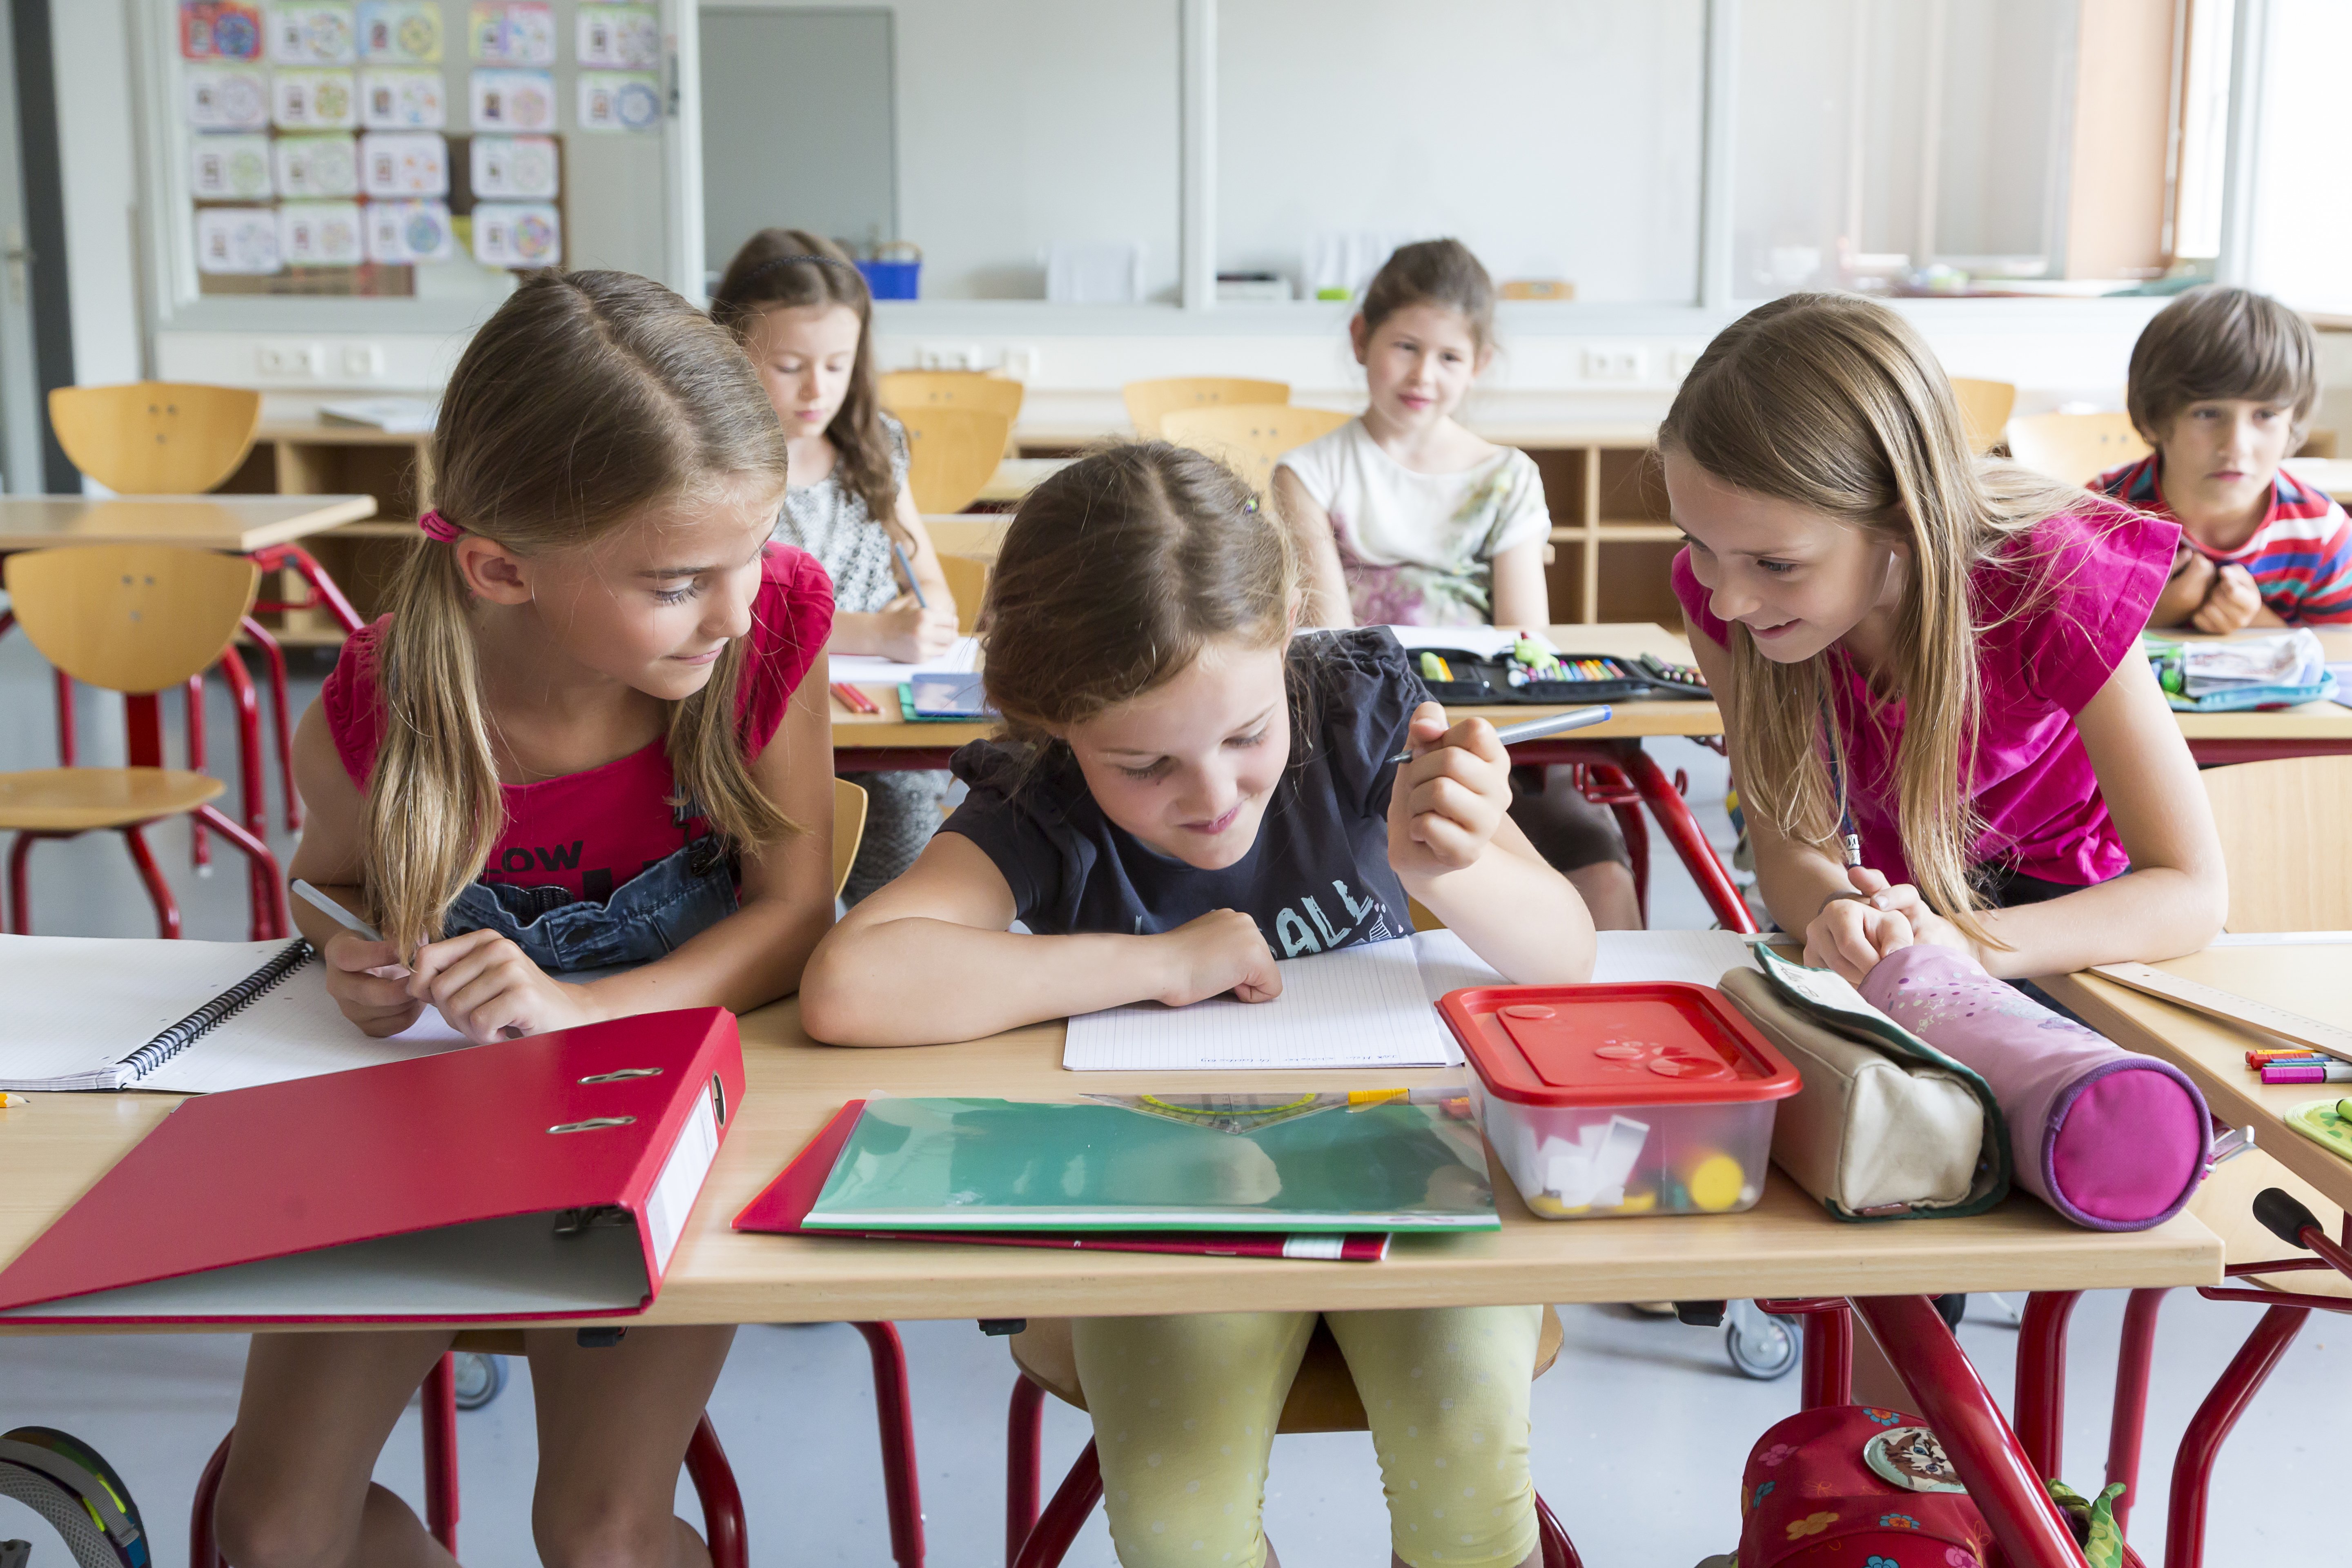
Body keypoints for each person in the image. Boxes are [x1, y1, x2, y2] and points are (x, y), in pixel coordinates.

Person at [802, 442, 1592, 1568]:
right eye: (1143, 763)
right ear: (1061, 727)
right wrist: (1158, 964)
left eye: (1245, 734)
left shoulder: (1360, 714)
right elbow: (852, 983)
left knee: (1468, 1471)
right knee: (1177, 1527)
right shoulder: (1042, 803)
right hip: (1174, 1207)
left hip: (1413, 1178)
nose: (1213, 797)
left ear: (1288, 643)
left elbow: (1564, 959)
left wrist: (1456, 868)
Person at [215, 270, 838, 1568]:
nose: (733, 609)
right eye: (677, 580)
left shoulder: (763, 626)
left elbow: (792, 913)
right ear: (502, 568)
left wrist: (584, 1006)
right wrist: (344, 947)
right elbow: (325, 879)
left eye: (752, 550)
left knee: (601, 1534)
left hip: (665, 1089)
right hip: (425, 1114)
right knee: (273, 1530)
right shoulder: (383, 698)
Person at [1663, 290, 2227, 988]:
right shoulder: (1723, 595)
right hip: (1899, 911)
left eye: (1777, 565)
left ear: (1903, 518)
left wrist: (1965, 945)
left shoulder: (2059, 578)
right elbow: (1787, 847)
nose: (1726, 598)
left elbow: (2191, 891)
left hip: (2074, 920)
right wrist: (1841, 915)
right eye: (1700, 546)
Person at [1273, 238, 1639, 928]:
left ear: (1480, 366)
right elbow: (1332, 648)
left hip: (1498, 741)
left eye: (1448, 357)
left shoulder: (1507, 477)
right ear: (1361, 339)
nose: (1423, 375)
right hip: (1362, 749)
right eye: (1404, 346)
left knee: (1600, 872)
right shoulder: (1308, 474)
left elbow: (1525, 643)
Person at [713, 226, 961, 901]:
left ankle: (889, 930)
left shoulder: (872, 444)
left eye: (838, 365)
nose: (816, 389)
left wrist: (930, 612)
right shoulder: (712, 459)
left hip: (872, 708)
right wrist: (875, 635)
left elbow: (926, 573)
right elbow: (738, 612)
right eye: (790, 366)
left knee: (905, 818)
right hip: (756, 707)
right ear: (732, 349)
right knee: (778, 848)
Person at [2096, 284, 2352, 629]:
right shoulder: (2098, 515)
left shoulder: (2324, 536)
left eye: (2266, 415)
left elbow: (2338, 664)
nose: (2237, 446)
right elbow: (2052, 656)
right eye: (2207, 414)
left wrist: (2256, 623)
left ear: (2295, 419)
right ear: (2153, 418)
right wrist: (2150, 618)